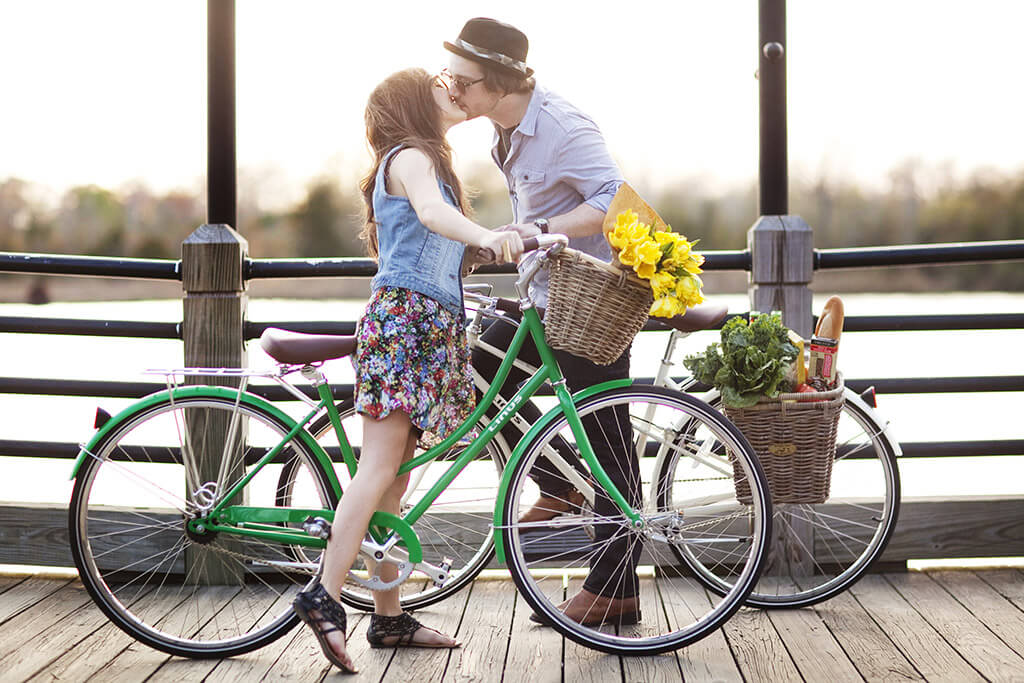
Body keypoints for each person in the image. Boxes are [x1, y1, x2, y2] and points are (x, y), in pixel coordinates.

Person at [291, 67, 524, 673]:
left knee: (395, 481)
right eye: (437, 85)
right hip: (406, 324)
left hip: (428, 325)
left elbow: (438, 237)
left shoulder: (431, 162)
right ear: (410, 105)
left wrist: (493, 243)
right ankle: (325, 593)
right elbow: (427, 214)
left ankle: (388, 618)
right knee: (378, 468)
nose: (451, 89)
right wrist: (486, 234)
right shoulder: (412, 157)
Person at [443, 18, 643, 627]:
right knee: (479, 362)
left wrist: (539, 231)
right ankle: (557, 476)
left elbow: (613, 198)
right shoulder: (504, 134)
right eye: (451, 78)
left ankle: (614, 588)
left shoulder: (560, 126)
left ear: (501, 81)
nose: (454, 91)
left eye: (465, 82)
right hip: (546, 295)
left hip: (591, 298)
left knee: (607, 436)